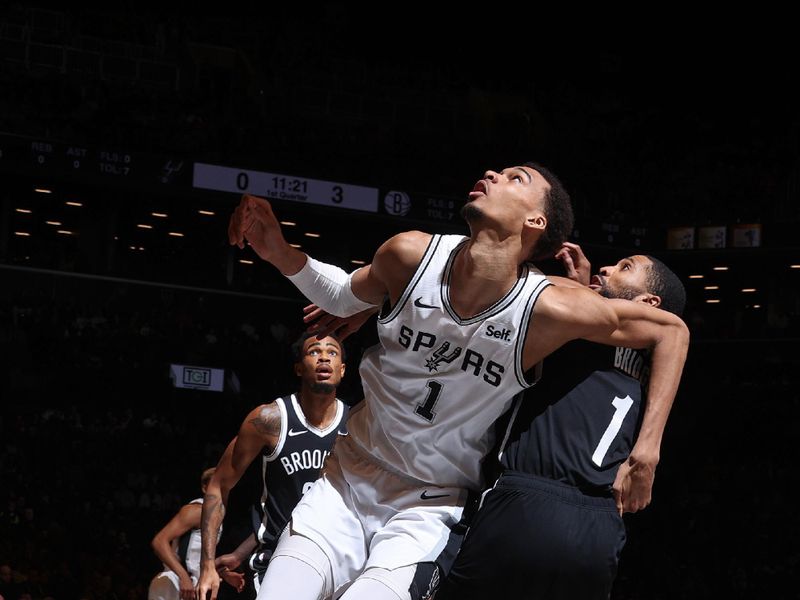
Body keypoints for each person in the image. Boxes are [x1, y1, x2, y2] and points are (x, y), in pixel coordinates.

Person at [227, 162, 690, 600]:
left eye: (516, 177)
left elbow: (672, 329)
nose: (493, 174)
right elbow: (342, 294)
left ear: (535, 221)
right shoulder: (410, 252)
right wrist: (279, 251)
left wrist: (646, 452)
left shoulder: (549, 309)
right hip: (345, 481)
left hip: (428, 508)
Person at [435, 242, 688, 599]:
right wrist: (647, 450)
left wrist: (579, 292)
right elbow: (671, 332)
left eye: (625, 267)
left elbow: (669, 328)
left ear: (648, 304)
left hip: (526, 501)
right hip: (598, 524)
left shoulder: (580, 331)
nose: (606, 268)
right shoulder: (648, 365)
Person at [196, 333, 349, 600]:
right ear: (299, 368)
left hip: (340, 565)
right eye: (314, 351)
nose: (324, 357)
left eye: (332, 353)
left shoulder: (358, 425)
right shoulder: (269, 420)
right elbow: (219, 486)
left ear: (343, 370)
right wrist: (207, 564)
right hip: (279, 565)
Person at [148, 468, 241, 600]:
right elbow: (159, 541)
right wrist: (183, 576)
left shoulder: (217, 516)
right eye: (216, 483)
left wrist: (223, 573)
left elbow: (197, 560)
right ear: (204, 488)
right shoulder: (197, 510)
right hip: (173, 583)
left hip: (190, 587)